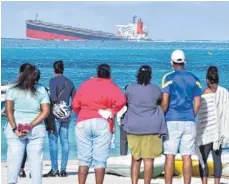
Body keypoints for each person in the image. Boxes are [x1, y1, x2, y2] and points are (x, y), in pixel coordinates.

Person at [72, 64, 126, 184]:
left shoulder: (85, 84)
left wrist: (82, 113)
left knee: (83, 160)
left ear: (97, 73)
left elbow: (75, 104)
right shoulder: (112, 87)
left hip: (83, 121)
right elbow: (122, 101)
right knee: (100, 161)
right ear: (109, 74)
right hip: (103, 121)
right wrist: (112, 111)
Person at [161, 50, 202, 184]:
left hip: (172, 119)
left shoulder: (168, 78)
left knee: (170, 156)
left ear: (172, 63)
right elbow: (197, 102)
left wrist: (161, 118)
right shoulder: (195, 79)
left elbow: (165, 102)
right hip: (189, 120)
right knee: (187, 157)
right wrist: (192, 115)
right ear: (184, 62)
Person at [5, 64, 50, 184]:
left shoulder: (12, 89)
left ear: (20, 74)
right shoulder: (41, 89)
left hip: (15, 130)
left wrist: (15, 128)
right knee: (36, 163)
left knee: (14, 162)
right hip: (35, 129)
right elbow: (45, 112)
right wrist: (29, 126)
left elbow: (8, 111)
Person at [122, 65, 168, 184]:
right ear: (150, 76)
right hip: (152, 127)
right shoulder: (156, 89)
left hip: (134, 127)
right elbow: (161, 102)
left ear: (138, 75)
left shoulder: (130, 88)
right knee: (148, 161)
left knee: (135, 159)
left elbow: (124, 102)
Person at [196, 66, 229, 184]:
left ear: (207, 80)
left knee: (203, 159)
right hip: (219, 133)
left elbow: (201, 113)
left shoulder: (205, 92)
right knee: (217, 159)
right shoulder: (225, 93)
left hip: (206, 132)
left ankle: (204, 182)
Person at [43, 60, 76, 177]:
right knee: (65, 142)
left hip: (55, 115)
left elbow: (52, 97)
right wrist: (68, 109)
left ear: (54, 70)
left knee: (53, 142)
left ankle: (54, 169)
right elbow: (75, 100)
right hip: (66, 115)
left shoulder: (52, 81)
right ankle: (63, 170)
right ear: (63, 69)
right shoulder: (70, 82)